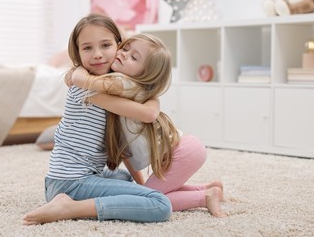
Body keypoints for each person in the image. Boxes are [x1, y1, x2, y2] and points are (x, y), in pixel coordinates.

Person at [22, 13, 172, 225]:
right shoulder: (90, 89)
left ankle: (69, 201)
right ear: (78, 52)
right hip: (70, 182)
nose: (98, 55)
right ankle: (69, 208)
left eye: (105, 45)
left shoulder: (109, 84)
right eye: (87, 48)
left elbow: (123, 147)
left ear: (119, 47)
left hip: (63, 180)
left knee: (124, 179)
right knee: (160, 204)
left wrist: (142, 185)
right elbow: (148, 113)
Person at [71, 33, 226, 217]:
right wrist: (142, 185)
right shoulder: (121, 93)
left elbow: (85, 81)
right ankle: (205, 188)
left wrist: (77, 69)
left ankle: (204, 197)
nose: (124, 54)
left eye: (134, 57)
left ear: (144, 74)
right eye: (126, 48)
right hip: (187, 148)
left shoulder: (124, 83)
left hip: (184, 152)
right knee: (147, 191)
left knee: (147, 200)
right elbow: (127, 154)